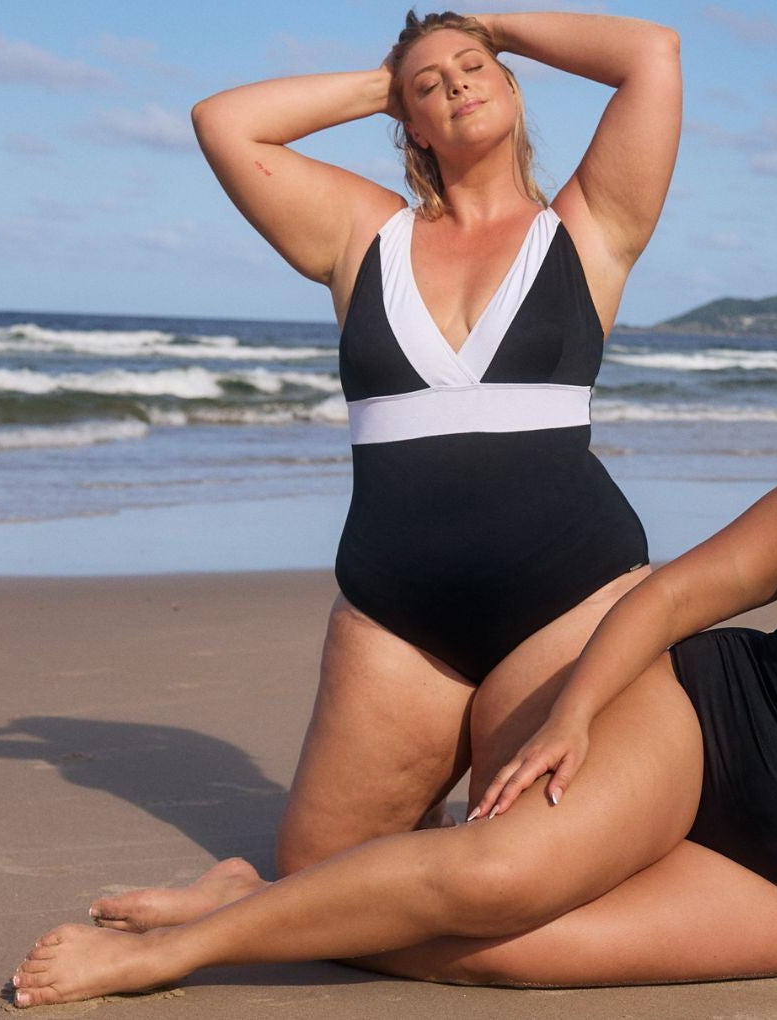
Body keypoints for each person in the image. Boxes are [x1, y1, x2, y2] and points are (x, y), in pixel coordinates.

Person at [10, 263, 777, 1016]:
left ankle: (264, 892)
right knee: (495, 876)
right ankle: (174, 955)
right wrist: (573, 713)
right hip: (712, 729)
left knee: (489, 961)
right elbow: (673, 598)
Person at [91, 11, 681, 925]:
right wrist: (398, 78)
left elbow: (650, 55)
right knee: (317, 879)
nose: (455, 83)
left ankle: (408, 859)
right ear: (406, 124)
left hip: (570, 600)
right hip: (396, 615)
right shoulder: (362, 235)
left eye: (473, 70)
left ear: (514, 85)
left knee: (522, 883)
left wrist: (488, 28)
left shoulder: (587, 225)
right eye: (429, 86)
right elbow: (224, 122)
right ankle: (248, 891)